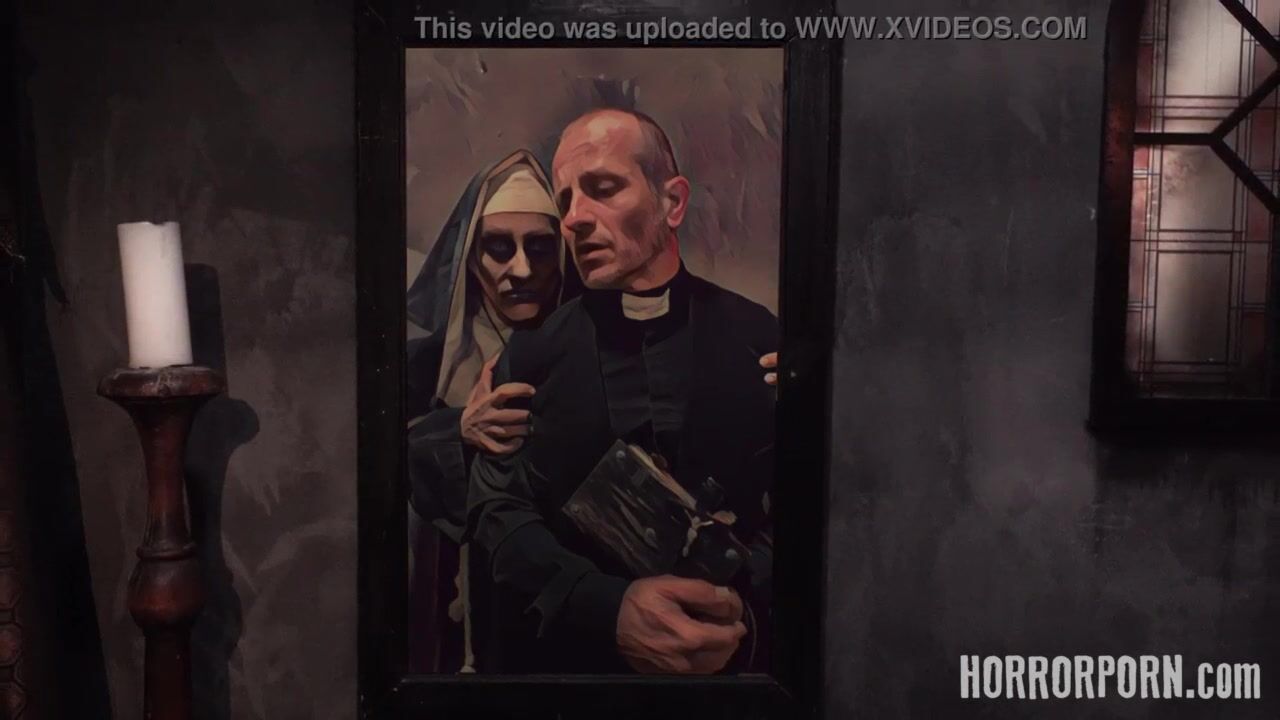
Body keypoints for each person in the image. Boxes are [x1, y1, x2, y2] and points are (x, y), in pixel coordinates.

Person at [466, 108, 779, 674]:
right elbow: (498, 512)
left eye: (603, 189)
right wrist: (605, 608)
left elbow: (808, 501)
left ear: (672, 202)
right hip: (574, 674)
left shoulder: (759, 339)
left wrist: (742, 606)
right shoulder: (531, 354)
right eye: (565, 200)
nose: (574, 219)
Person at [405, 149, 577, 673]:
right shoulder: (424, 366)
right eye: (499, 247)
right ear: (470, 256)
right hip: (458, 609)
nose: (520, 269)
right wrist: (456, 428)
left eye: (539, 248)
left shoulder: (592, 347)